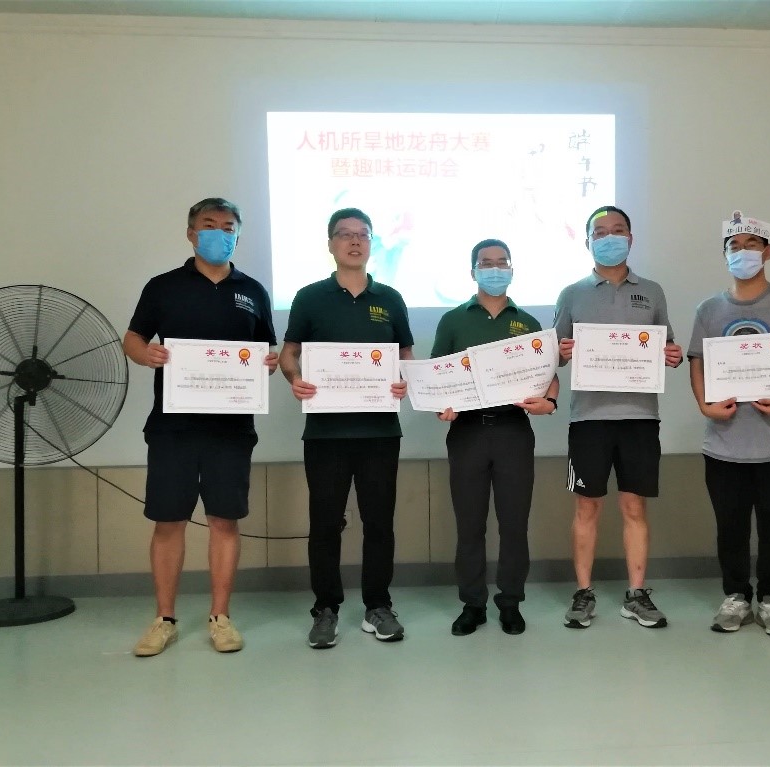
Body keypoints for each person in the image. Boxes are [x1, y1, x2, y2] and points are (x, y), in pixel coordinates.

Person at [124, 198, 278, 656]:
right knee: (168, 519)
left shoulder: (252, 290)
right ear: (191, 233)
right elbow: (133, 338)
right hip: (172, 426)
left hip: (231, 428)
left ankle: (220, 617)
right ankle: (164, 619)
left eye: (228, 227)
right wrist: (145, 354)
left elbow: (265, 349)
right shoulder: (163, 286)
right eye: (209, 225)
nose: (219, 233)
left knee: (224, 520)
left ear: (237, 235)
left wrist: (268, 363)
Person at [279, 207, 414, 649]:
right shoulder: (309, 297)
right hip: (325, 434)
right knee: (324, 523)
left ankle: (378, 605)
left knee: (380, 523)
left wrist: (405, 380)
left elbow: (405, 356)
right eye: (345, 234)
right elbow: (289, 353)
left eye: (363, 235)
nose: (355, 241)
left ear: (372, 244)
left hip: (380, 433)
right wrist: (295, 378)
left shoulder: (390, 298)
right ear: (331, 243)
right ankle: (326, 609)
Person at [688, 211, 770, 638]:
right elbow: (697, 363)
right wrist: (705, 407)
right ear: (724, 254)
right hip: (723, 446)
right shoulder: (709, 309)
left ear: (768, 251)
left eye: (751, 244)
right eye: (734, 245)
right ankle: (736, 597)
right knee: (730, 529)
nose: (742, 252)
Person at [553, 205, 683, 630]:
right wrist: (562, 352)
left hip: (640, 416)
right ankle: (583, 592)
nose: (610, 237)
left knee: (633, 506)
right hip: (588, 419)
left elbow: (667, 345)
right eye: (600, 232)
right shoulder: (572, 294)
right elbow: (553, 353)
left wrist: (672, 355)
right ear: (587, 241)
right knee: (586, 506)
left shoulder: (653, 291)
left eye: (618, 230)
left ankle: (637, 594)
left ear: (631, 238)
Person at [431, 239, 559, 636]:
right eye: (486, 263)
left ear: (512, 269)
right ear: (473, 271)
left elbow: (549, 376)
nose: (495, 268)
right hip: (467, 432)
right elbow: (436, 377)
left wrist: (550, 402)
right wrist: (441, 405)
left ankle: (510, 602)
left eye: (502, 262)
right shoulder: (453, 320)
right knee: (470, 525)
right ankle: (472, 604)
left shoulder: (528, 323)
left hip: (513, 432)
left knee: (514, 524)